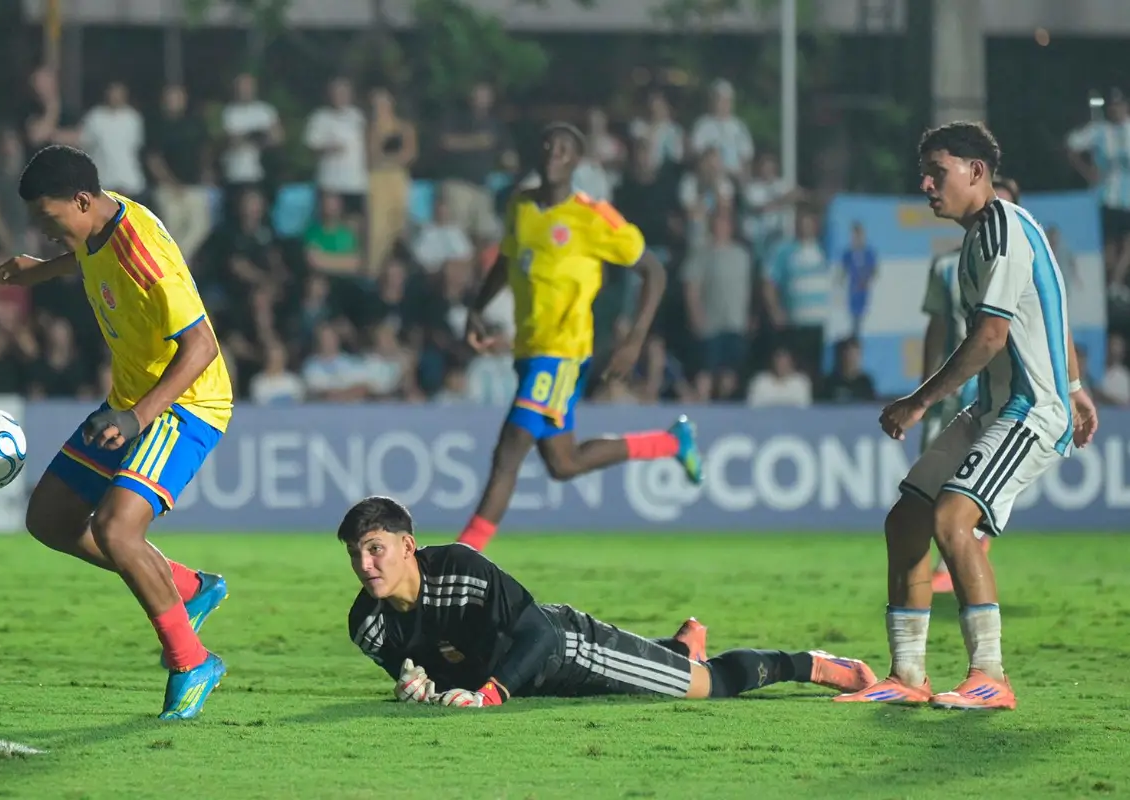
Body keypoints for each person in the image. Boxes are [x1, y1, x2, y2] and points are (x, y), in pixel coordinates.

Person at [836, 122, 1098, 710]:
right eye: (923, 173)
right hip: (995, 408)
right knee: (906, 519)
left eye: (939, 170)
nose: (926, 183)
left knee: (953, 519)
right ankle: (907, 676)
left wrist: (918, 400)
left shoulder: (1001, 228)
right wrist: (1080, 386)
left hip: (1029, 412)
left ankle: (991, 677)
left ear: (976, 171)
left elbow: (990, 336)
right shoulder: (979, 236)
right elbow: (1048, 308)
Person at [0, 145, 233, 720]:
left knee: (117, 529)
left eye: (48, 220)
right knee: (48, 519)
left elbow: (202, 346)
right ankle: (188, 586)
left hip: (184, 405)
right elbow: (85, 255)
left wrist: (137, 417)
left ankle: (191, 661)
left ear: (81, 200)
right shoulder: (98, 222)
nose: (44, 230)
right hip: (130, 399)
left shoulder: (143, 252)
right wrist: (41, 269)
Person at [341, 496, 877, 707]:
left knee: (709, 688)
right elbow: (421, 675)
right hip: (523, 680)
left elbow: (539, 633)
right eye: (357, 555)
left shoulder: (460, 568)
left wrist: (491, 695)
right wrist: (414, 690)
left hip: (567, 651)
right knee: (657, 671)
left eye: (376, 549)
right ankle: (677, 647)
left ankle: (813, 665)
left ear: (407, 546)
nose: (367, 566)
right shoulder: (367, 624)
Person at [458, 123, 703, 552]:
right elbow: (508, 259)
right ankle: (670, 442)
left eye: (565, 148)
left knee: (510, 450)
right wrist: (478, 306)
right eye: (547, 144)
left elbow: (654, 272)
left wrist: (634, 340)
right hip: (530, 349)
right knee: (563, 463)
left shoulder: (593, 216)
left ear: (578, 160)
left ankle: (459, 558)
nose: (554, 152)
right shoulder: (521, 207)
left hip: (563, 353)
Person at [923, 175, 1020, 594]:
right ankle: (945, 562)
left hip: (997, 391)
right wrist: (924, 390)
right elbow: (937, 326)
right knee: (931, 476)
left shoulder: (1024, 256)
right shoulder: (947, 265)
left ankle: (965, 560)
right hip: (950, 385)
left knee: (981, 480)